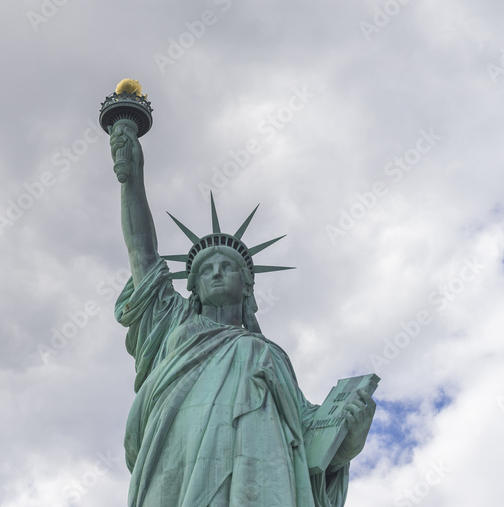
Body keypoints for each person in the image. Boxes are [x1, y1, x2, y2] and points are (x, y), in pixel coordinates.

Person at [110, 123, 376, 506]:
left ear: (247, 285)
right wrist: (132, 178)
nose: (216, 273)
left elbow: (306, 440)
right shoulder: (172, 321)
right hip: (176, 461)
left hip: (259, 475)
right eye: (205, 269)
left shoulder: (269, 355)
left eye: (227, 267)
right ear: (193, 287)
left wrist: (349, 440)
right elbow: (142, 252)